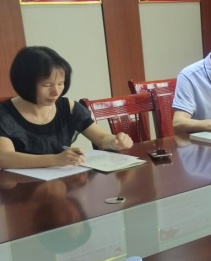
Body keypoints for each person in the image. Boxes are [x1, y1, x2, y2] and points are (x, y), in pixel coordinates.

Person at [0, 46, 133, 169]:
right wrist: (56, 159)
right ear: (25, 83)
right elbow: (4, 158)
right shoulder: (4, 114)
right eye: (47, 85)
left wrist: (114, 141)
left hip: (61, 181)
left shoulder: (67, 107)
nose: (56, 92)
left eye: (60, 83)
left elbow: (101, 138)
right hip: (20, 185)